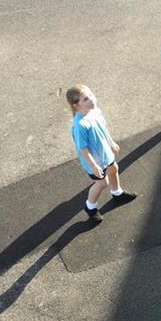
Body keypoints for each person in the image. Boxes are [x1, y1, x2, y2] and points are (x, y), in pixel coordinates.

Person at [66, 85, 137, 222]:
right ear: (76, 105)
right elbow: (83, 149)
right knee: (102, 183)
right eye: (86, 99)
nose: (91, 99)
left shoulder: (95, 111)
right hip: (94, 161)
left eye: (91, 95)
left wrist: (111, 142)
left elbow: (103, 128)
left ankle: (117, 193)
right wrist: (93, 166)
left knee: (114, 169)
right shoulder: (80, 125)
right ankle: (90, 206)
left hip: (104, 153)